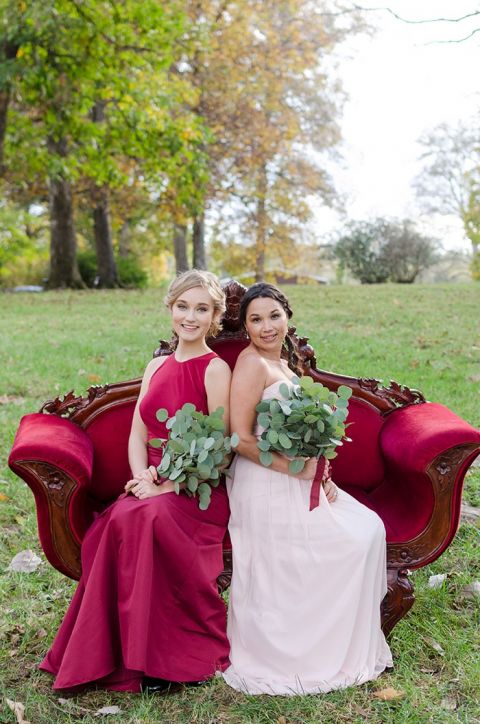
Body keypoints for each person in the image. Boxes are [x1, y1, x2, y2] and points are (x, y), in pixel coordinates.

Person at [40, 270, 232, 693]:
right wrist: (142, 474)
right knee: (116, 523)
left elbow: (218, 448)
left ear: (215, 316)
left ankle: (163, 660)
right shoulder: (156, 365)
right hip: (149, 478)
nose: (190, 316)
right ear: (170, 308)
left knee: (147, 519)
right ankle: (113, 653)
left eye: (201, 309)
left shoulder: (215, 369)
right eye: (183, 306)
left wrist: (168, 484)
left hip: (195, 488)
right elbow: (138, 433)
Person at [222, 282, 392, 696]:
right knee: (346, 541)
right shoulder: (251, 365)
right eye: (256, 320)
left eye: (273, 316)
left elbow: (298, 431)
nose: (267, 327)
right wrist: (295, 469)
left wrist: (319, 468)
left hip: (295, 474)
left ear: (288, 317)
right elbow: (240, 440)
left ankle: (331, 639)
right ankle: (295, 653)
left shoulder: (284, 362)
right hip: (263, 481)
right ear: (244, 327)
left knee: (368, 528)